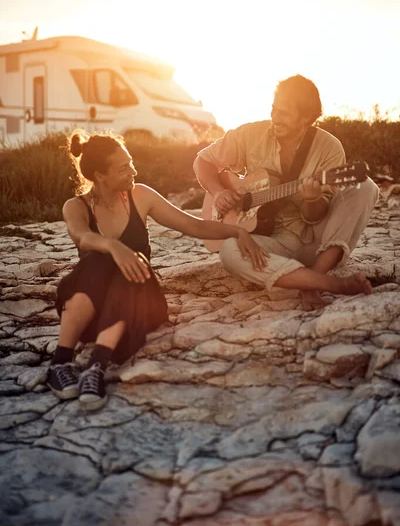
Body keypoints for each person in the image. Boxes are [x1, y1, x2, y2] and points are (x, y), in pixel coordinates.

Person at [48, 129, 268, 411]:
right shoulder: (75, 206)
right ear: (101, 176)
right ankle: (60, 362)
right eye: (123, 167)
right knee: (98, 261)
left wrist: (237, 232)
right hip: (92, 310)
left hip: (137, 302)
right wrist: (114, 247)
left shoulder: (140, 196)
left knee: (134, 265)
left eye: (130, 161)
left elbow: (194, 226)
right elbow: (82, 236)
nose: (133, 170)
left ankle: (96, 368)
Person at [193, 74, 379, 311]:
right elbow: (203, 161)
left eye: (285, 113)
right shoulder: (250, 135)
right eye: (274, 109)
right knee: (229, 251)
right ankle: (326, 283)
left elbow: (316, 216)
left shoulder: (329, 147)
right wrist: (219, 192)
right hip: (271, 243)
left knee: (366, 187)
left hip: (318, 243)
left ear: (306, 118)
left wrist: (311, 199)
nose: (275, 118)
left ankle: (312, 278)